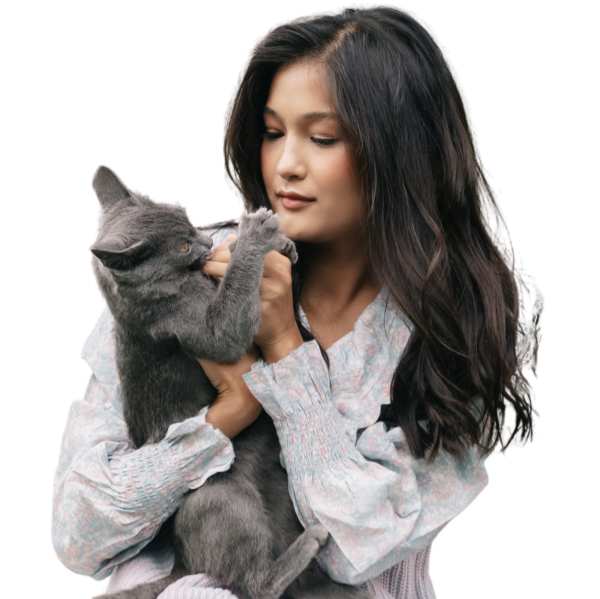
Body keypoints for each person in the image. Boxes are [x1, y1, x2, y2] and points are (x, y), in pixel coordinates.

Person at [51, 5, 544, 599]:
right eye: (272, 132)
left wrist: (284, 348)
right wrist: (226, 416)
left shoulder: (451, 339)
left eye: (322, 138)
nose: (286, 165)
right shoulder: (172, 277)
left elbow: (349, 548)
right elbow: (79, 534)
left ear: (402, 154)